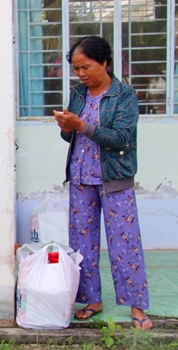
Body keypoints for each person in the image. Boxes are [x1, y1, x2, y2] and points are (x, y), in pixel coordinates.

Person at [54, 35, 152, 331]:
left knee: (125, 242)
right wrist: (65, 126)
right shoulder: (78, 93)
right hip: (81, 177)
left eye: (86, 67)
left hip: (114, 178)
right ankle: (91, 299)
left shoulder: (124, 95)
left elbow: (121, 138)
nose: (81, 74)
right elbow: (70, 137)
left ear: (105, 62)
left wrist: (81, 125)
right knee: (81, 243)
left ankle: (137, 306)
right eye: (76, 69)